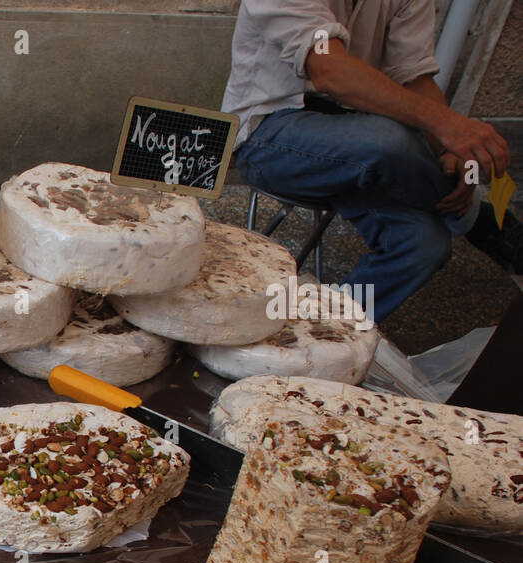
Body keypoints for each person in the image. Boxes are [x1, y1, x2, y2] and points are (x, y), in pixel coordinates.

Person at [223, 0, 521, 325]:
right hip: (269, 138)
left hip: (358, 150)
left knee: (424, 245)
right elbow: (328, 71)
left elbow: (415, 78)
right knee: (389, 139)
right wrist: (447, 126)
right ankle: (483, 223)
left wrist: (450, 151)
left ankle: (318, 328)